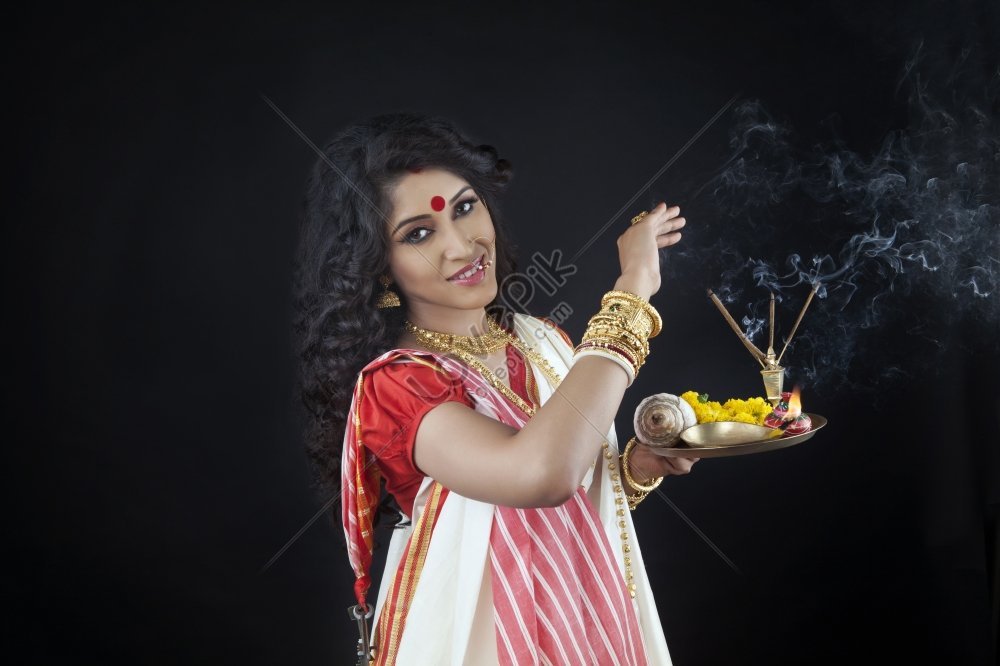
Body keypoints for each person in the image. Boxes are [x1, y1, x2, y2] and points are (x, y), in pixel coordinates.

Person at [294, 112, 699, 665]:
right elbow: (538, 475)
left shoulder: (539, 340)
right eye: (418, 233)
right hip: (477, 642)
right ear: (380, 268)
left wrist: (635, 470)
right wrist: (633, 291)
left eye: (465, 207)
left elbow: (565, 493)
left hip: (580, 621)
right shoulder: (399, 384)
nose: (462, 246)